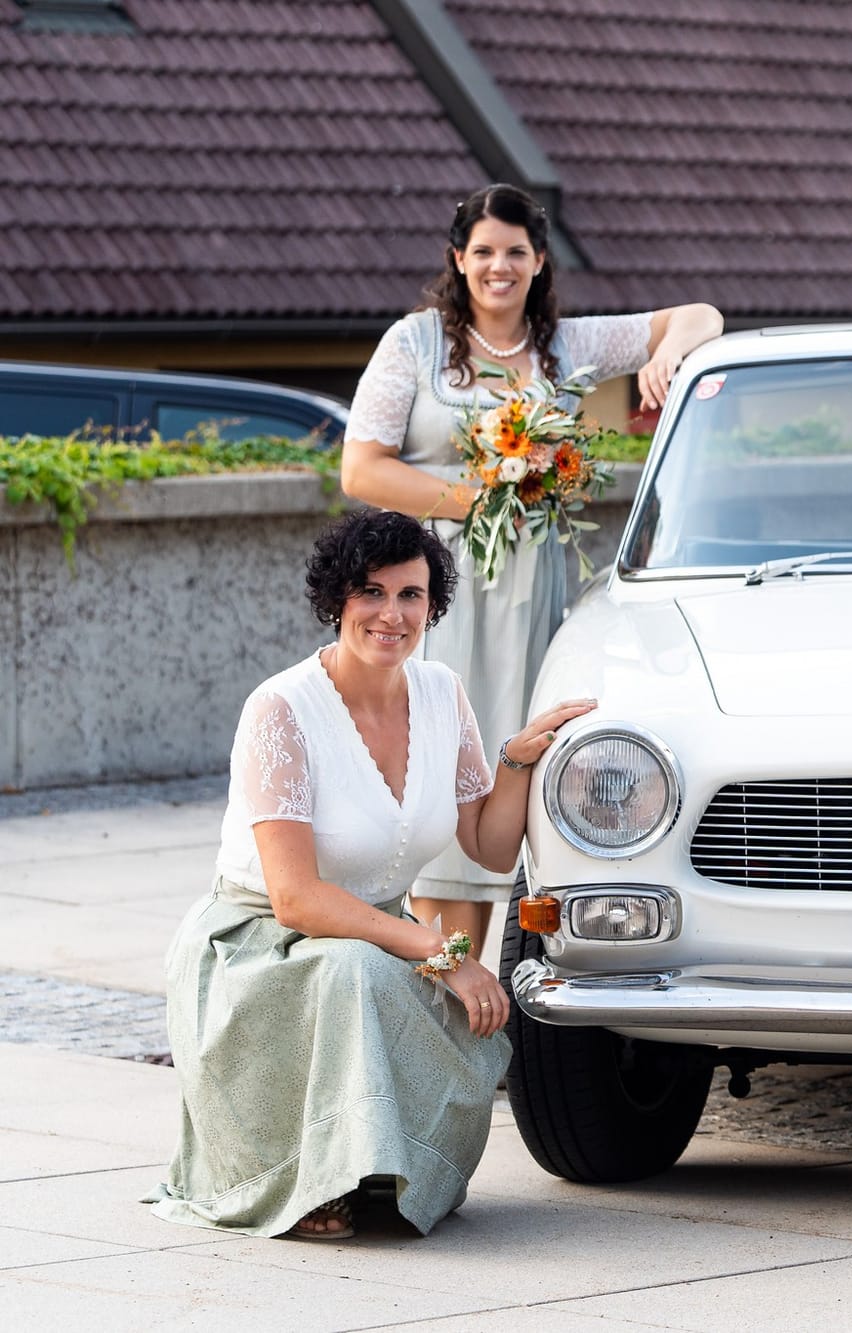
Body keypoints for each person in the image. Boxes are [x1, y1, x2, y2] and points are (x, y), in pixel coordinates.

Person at [148, 509, 596, 1239]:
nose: (392, 614)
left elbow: (485, 844)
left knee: (373, 972)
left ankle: (386, 1172)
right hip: (258, 945)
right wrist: (440, 951)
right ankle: (314, 1174)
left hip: (371, 939)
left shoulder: (442, 691)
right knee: (357, 973)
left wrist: (518, 758)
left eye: (411, 595)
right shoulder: (281, 709)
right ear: (336, 599)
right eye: (371, 592)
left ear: (433, 604)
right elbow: (294, 897)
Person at [341, 183, 722, 957]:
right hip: (442, 599)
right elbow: (361, 468)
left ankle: (527, 1000)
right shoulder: (413, 345)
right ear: (458, 260)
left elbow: (700, 316)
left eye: (516, 250)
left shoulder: (566, 347)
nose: (499, 266)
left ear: (539, 260)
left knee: (530, 772)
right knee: (446, 779)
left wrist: (668, 358)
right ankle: (442, 1007)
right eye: (483, 251)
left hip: (536, 601)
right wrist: (477, 493)